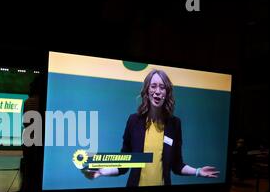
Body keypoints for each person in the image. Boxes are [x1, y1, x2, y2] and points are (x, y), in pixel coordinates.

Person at [85, 69, 219, 185]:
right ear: (147, 90)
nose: (157, 91)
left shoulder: (174, 124)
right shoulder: (134, 121)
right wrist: (101, 171)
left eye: (162, 87)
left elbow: (177, 165)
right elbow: (124, 164)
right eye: (153, 86)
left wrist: (197, 172)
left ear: (167, 93)